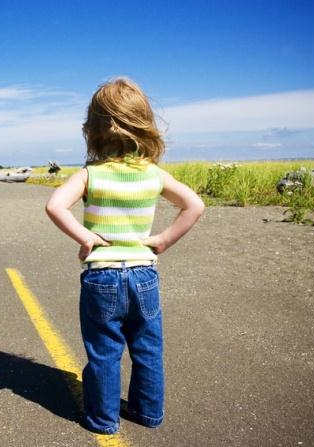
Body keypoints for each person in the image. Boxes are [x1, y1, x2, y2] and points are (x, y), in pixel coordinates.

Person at [45, 77, 205, 434]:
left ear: (93, 129)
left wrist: (86, 237)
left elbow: (55, 206)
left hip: (102, 275)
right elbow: (194, 205)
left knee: (105, 350)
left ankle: (103, 419)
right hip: (143, 274)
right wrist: (162, 240)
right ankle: (148, 412)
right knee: (147, 347)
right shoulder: (153, 174)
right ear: (144, 123)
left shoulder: (91, 174)